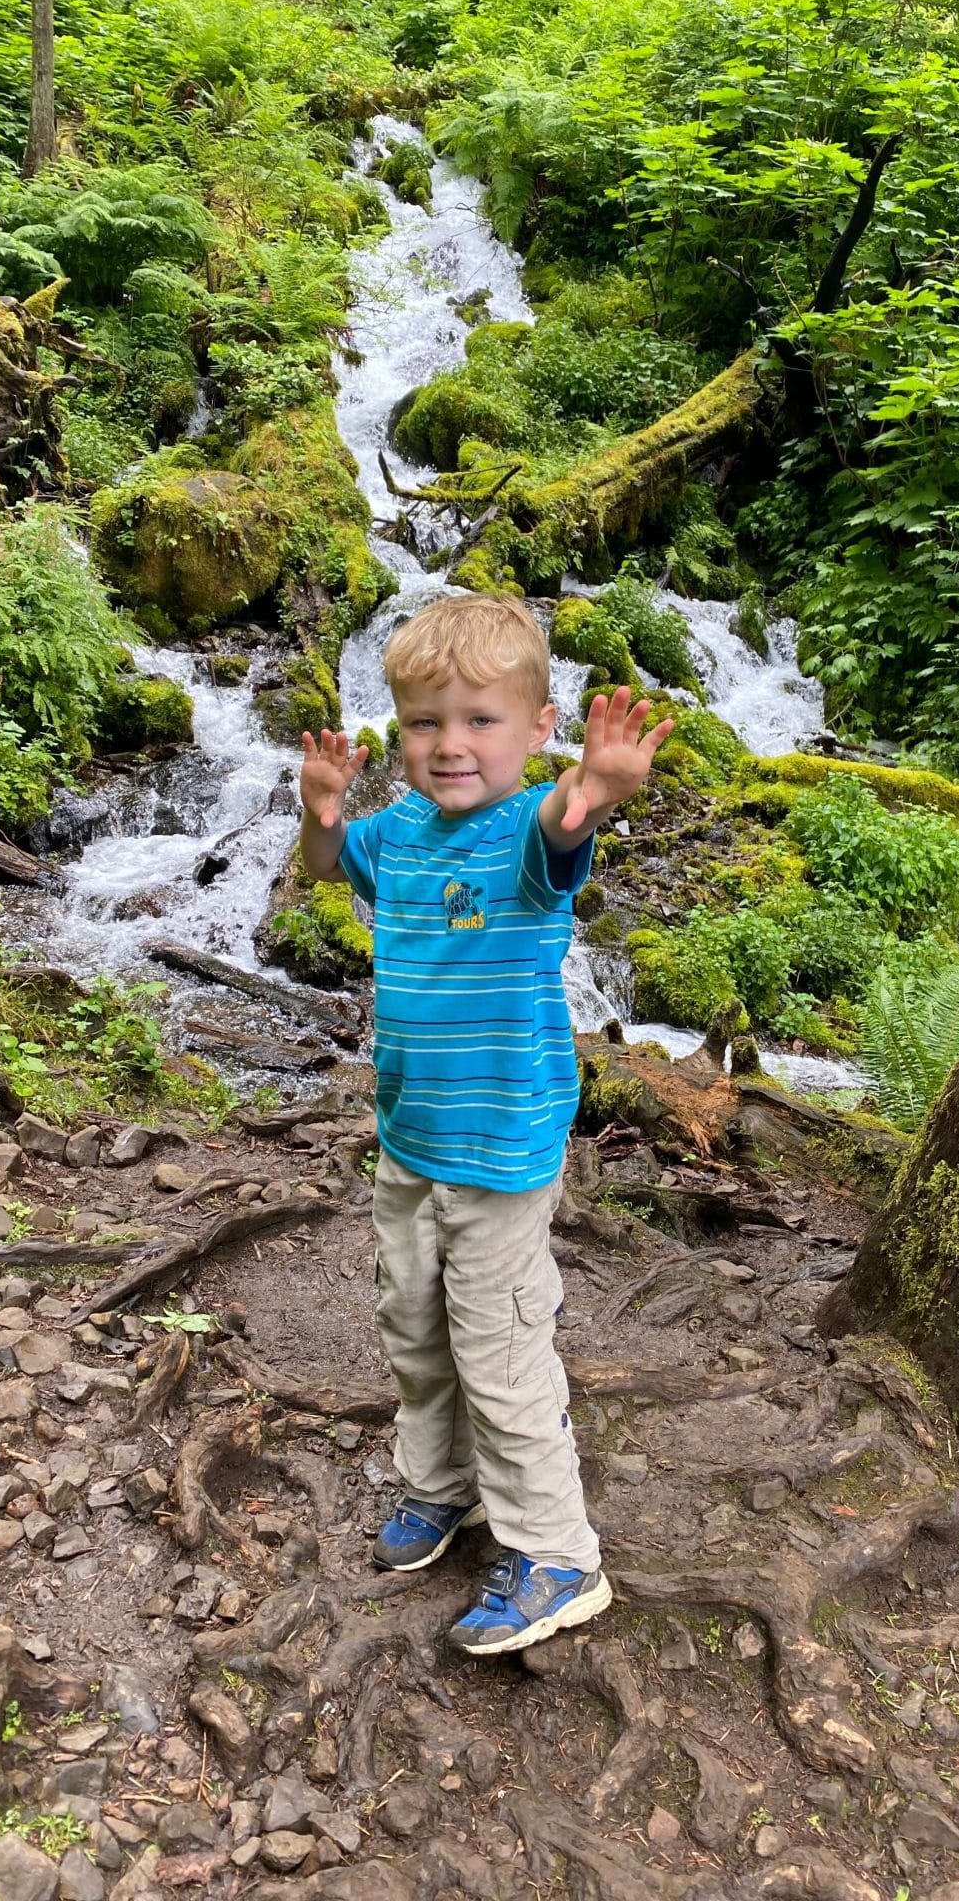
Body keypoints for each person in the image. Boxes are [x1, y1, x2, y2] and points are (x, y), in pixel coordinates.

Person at [297, 594, 673, 1654]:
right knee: (413, 1323)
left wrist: (597, 787)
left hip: (503, 1146)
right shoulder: (400, 831)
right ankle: (443, 1487)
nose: (449, 744)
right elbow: (331, 867)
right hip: (411, 1138)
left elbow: (565, 829)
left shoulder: (524, 832)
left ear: (537, 726)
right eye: (424, 722)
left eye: (480, 720)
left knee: (501, 1348)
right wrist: (323, 810)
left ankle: (558, 1552)